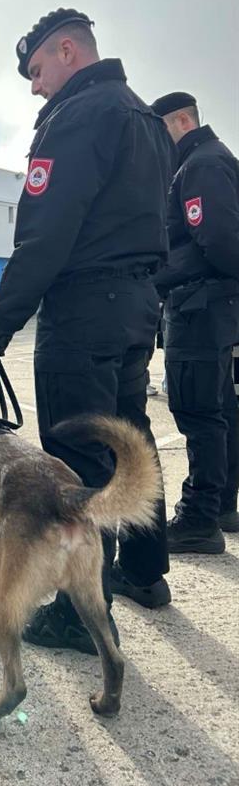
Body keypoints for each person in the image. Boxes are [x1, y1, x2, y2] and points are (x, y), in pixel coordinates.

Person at [0, 8, 174, 654]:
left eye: (37, 71)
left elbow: (45, 233)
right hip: (134, 304)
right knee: (129, 445)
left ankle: (82, 616)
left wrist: (0, 322)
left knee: (77, 464)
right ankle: (147, 574)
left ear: (68, 52)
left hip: (85, 304)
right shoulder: (147, 120)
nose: (35, 87)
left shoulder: (78, 117)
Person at [151, 92, 239, 552]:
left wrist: (158, 275)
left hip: (199, 309)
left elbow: (220, 244)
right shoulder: (209, 159)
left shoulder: (200, 165)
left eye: (160, 130)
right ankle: (222, 504)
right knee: (221, 409)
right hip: (209, 307)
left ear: (182, 120)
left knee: (199, 413)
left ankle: (199, 518)